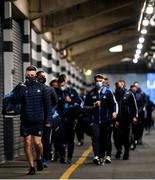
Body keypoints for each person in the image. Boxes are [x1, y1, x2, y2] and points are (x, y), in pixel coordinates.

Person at [12, 66, 52, 175]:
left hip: (38, 119)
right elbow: (15, 100)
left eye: (32, 76)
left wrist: (48, 120)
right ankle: (31, 167)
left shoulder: (43, 88)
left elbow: (48, 106)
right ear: (25, 75)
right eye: (28, 75)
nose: (30, 77)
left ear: (35, 76)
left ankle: (39, 158)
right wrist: (21, 88)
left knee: (38, 143)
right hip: (25, 120)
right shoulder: (21, 86)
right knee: (27, 143)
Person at [84, 74, 117, 165]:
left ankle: (107, 155)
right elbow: (85, 107)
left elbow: (113, 104)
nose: (98, 82)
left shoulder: (108, 92)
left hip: (106, 120)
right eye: (97, 80)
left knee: (105, 139)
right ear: (95, 82)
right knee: (95, 137)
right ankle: (96, 156)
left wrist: (114, 112)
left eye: (100, 80)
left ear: (103, 81)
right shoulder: (91, 93)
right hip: (94, 120)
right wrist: (93, 106)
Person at [56, 74, 82, 164]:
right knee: (61, 138)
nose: (61, 87)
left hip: (71, 118)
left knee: (70, 139)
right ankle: (62, 156)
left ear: (66, 83)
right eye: (60, 85)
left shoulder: (72, 91)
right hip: (61, 119)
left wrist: (71, 101)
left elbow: (79, 102)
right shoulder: (56, 92)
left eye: (63, 85)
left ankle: (70, 156)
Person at [36, 71, 58, 167]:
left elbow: (55, 102)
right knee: (37, 141)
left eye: (44, 76)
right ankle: (39, 157)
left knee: (46, 140)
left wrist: (52, 111)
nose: (43, 78)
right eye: (41, 76)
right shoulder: (33, 89)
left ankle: (45, 158)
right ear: (37, 77)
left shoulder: (50, 89)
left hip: (47, 118)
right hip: (36, 118)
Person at [113, 80, 138, 160]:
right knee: (116, 136)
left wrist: (134, 116)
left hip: (127, 119)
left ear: (124, 85)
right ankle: (119, 149)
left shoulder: (129, 94)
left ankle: (126, 152)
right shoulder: (113, 94)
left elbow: (134, 106)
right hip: (116, 119)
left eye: (121, 84)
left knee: (126, 137)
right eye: (118, 84)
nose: (119, 86)